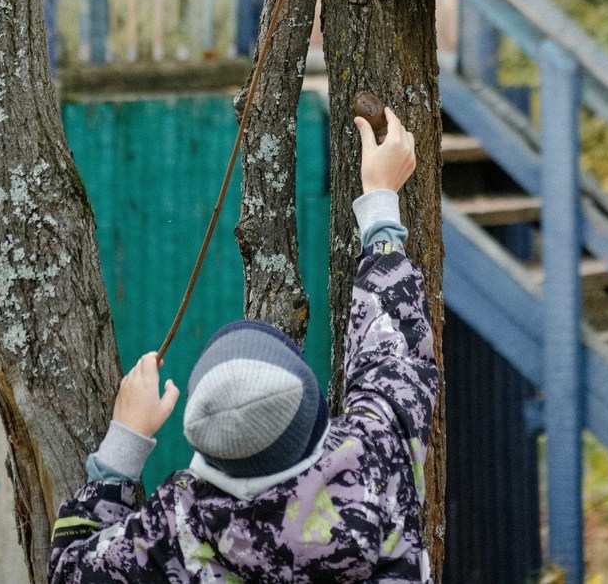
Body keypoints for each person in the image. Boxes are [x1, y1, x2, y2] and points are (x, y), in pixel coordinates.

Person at [48, 106, 439, 583]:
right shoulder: (377, 456)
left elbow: (70, 571)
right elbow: (391, 348)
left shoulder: (177, 529)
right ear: (316, 414)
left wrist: (121, 449)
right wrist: (379, 204)